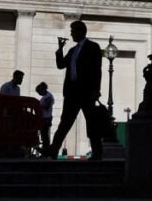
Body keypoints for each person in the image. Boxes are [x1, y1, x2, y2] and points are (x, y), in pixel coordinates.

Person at [46, 20, 103, 160]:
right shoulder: (72, 50)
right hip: (72, 93)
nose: (71, 34)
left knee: (91, 123)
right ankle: (53, 151)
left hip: (87, 92)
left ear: (80, 32)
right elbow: (61, 65)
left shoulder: (93, 47)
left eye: (73, 31)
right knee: (64, 123)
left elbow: (97, 70)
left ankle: (97, 153)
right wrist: (59, 50)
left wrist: (96, 89)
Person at [36, 82, 55, 154]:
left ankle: (46, 150)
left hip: (46, 118)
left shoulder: (48, 96)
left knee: (45, 136)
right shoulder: (45, 96)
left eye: (39, 92)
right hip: (44, 118)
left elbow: (47, 106)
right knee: (44, 135)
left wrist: (39, 106)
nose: (39, 94)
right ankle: (45, 150)